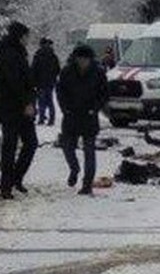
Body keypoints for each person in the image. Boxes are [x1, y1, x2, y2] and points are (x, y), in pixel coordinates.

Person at [56, 43, 110, 195]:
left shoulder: (98, 72)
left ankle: (87, 184)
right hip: (71, 115)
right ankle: (74, 168)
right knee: (67, 147)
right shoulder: (67, 71)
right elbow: (60, 91)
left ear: (90, 60)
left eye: (85, 59)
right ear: (75, 59)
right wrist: (64, 108)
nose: (82, 62)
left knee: (89, 151)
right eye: (79, 59)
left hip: (89, 116)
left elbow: (104, 93)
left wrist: (95, 107)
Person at [0, 20, 38, 199]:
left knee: (25, 143)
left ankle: (13, 179)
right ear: (20, 36)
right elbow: (15, 82)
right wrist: (26, 103)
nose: (28, 39)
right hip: (13, 107)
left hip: (13, 105)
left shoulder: (16, 52)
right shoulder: (11, 54)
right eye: (26, 36)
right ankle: (8, 182)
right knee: (12, 145)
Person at [32, 37, 61, 126]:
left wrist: (33, 81)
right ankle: (51, 119)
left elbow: (34, 69)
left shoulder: (38, 55)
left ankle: (41, 118)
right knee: (50, 101)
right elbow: (58, 69)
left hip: (40, 82)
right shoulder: (53, 56)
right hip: (50, 82)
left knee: (41, 102)